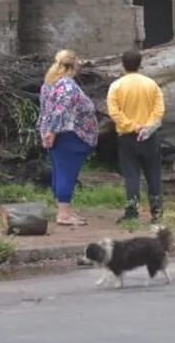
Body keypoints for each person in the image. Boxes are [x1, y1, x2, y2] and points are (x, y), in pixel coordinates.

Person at [38, 49, 98, 226]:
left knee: (60, 171)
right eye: (78, 62)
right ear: (73, 65)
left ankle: (64, 209)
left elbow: (44, 110)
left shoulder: (49, 83)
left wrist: (46, 131)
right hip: (69, 136)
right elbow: (60, 111)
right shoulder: (67, 86)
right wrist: (52, 131)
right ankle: (63, 215)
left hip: (59, 135)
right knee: (67, 173)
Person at [107, 49, 165, 223]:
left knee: (131, 174)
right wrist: (147, 126)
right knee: (153, 173)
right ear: (140, 64)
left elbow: (114, 112)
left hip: (127, 137)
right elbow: (159, 109)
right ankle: (157, 212)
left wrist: (132, 126)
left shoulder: (116, 86)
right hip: (149, 136)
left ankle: (132, 212)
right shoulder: (151, 84)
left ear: (123, 65)